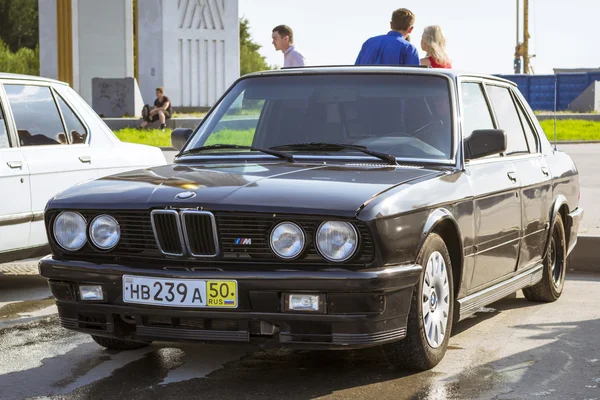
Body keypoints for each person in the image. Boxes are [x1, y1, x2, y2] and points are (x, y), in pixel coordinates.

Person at [355, 8, 420, 66]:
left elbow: (356, 71)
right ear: (411, 29)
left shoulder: (369, 42)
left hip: (364, 80)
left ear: (391, 25)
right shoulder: (409, 49)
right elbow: (414, 78)